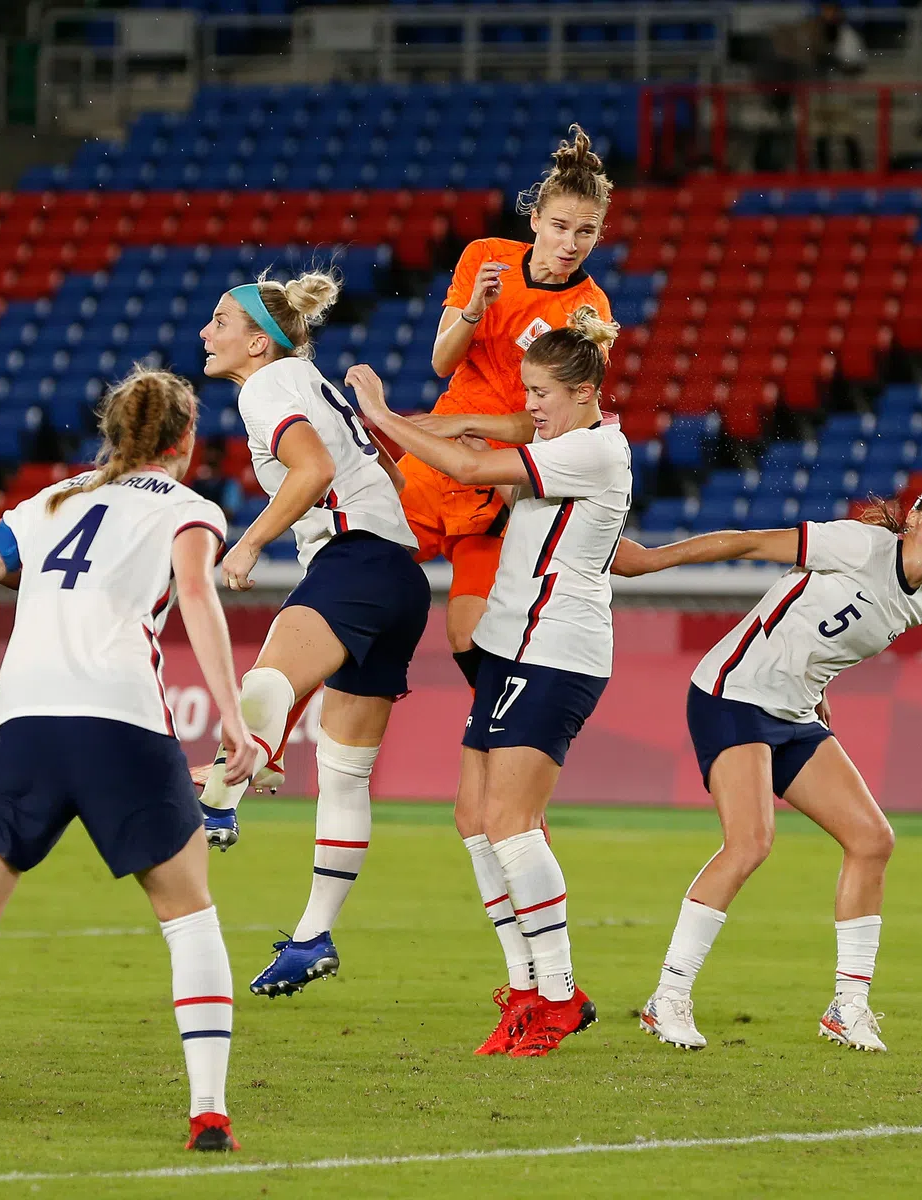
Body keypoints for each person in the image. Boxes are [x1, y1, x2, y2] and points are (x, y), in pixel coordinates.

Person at [0, 366, 256, 1153]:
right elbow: (199, 598)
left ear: (113, 433)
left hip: (29, 723)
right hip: (121, 724)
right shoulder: (190, 509)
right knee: (189, 917)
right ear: (183, 441)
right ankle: (208, 1112)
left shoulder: (52, 500)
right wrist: (234, 722)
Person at [347, 304, 628, 1058]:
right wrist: (388, 425)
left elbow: (471, 464)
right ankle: (524, 988)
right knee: (474, 818)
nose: (528, 404)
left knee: (510, 821)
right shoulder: (558, 432)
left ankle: (560, 995)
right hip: (513, 645)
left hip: (556, 653)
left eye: (539, 393)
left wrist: (377, 413)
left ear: (582, 392)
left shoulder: (595, 452)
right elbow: (482, 431)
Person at [612, 481, 922, 1053]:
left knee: (872, 839)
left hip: (793, 712)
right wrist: (653, 560)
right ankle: (669, 996)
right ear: (913, 517)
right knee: (750, 843)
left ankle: (848, 1006)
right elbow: (751, 543)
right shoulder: (861, 546)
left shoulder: (917, 605)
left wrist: (819, 688)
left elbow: (821, 636)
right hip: (733, 693)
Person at [192, 270, 430, 999]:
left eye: (222, 320)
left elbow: (315, 468)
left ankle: (221, 800)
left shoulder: (264, 388)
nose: (207, 331)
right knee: (346, 774)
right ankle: (311, 936)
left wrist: (248, 542)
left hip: (354, 563)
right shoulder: (308, 380)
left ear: (257, 343)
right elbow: (380, 468)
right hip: (401, 577)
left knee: (265, 684)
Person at [409, 125, 615, 686]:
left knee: (467, 633)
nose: (571, 244)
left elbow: (552, 421)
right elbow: (441, 363)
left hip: (504, 475)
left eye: (586, 232)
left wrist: (470, 425)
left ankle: (500, 742)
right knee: (358, 568)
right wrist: (474, 306)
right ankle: (269, 747)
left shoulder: (589, 310)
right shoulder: (484, 258)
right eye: (560, 227)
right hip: (437, 459)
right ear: (535, 221)